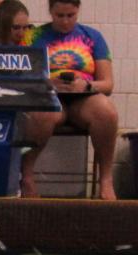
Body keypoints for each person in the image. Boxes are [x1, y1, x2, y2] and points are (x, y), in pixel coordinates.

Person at [21, 0, 117, 200]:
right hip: (50, 95)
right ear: (50, 12)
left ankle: (106, 180)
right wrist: (48, 83)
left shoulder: (93, 37)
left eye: (71, 15)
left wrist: (87, 86)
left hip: (83, 98)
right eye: (59, 16)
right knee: (41, 114)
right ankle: (27, 175)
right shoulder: (33, 37)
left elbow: (107, 84)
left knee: (107, 113)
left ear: (78, 11)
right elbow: (22, 79)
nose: (65, 22)